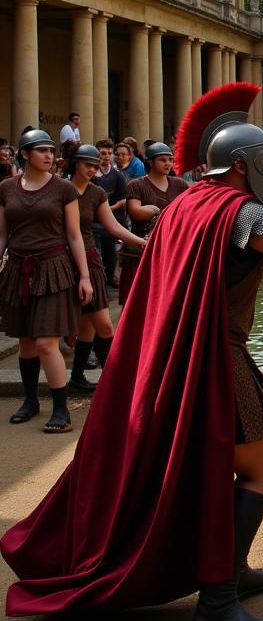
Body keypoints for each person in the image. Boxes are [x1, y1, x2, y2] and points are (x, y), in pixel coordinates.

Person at [1, 82, 263, 621]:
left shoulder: (186, 201)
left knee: (247, 461)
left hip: (183, 347)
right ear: (240, 164)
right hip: (207, 351)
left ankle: (229, 573)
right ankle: (216, 603)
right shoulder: (240, 210)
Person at [0, 130, 92, 433]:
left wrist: (85, 276)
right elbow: (2, 234)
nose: (49, 155)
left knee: (46, 341)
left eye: (52, 150)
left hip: (54, 269)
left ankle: (61, 408)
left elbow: (74, 235)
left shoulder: (64, 189)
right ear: (25, 154)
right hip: (17, 269)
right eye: (41, 150)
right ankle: (30, 401)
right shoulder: (6, 188)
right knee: (25, 340)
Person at [64, 145, 147, 391]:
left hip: (90, 259)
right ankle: (113, 381)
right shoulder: (60, 189)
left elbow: (114, 227)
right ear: (75, 163)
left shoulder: (97, 193)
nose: (91, 169)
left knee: (92, 325)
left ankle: (88, 378)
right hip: (61, 260)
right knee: (93, 325)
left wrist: (143, 242)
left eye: (94, 165)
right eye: (86, 165)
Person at [117, 142, 189, 303]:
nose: (168, 163)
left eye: (170, 159)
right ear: (150, 162)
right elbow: (136, 212)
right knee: (135, 302)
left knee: (166, 302)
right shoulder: (137, 184)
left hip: (171, 250)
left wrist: (155, 210)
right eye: (163, 160)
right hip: (140, 251)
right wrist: (163, 212)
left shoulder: (180, 184)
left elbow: (190, 212)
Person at [91, 139, 128, 287]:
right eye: (103, 153)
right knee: (96, 254)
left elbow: (124, 199)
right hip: (94, 223)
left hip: (113, 220)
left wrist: (107, 210)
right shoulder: (92, 176)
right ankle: (98, 281)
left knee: (111, 254)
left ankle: (110, 278)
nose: (107, 156)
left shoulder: (118, 176)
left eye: (109, 153)